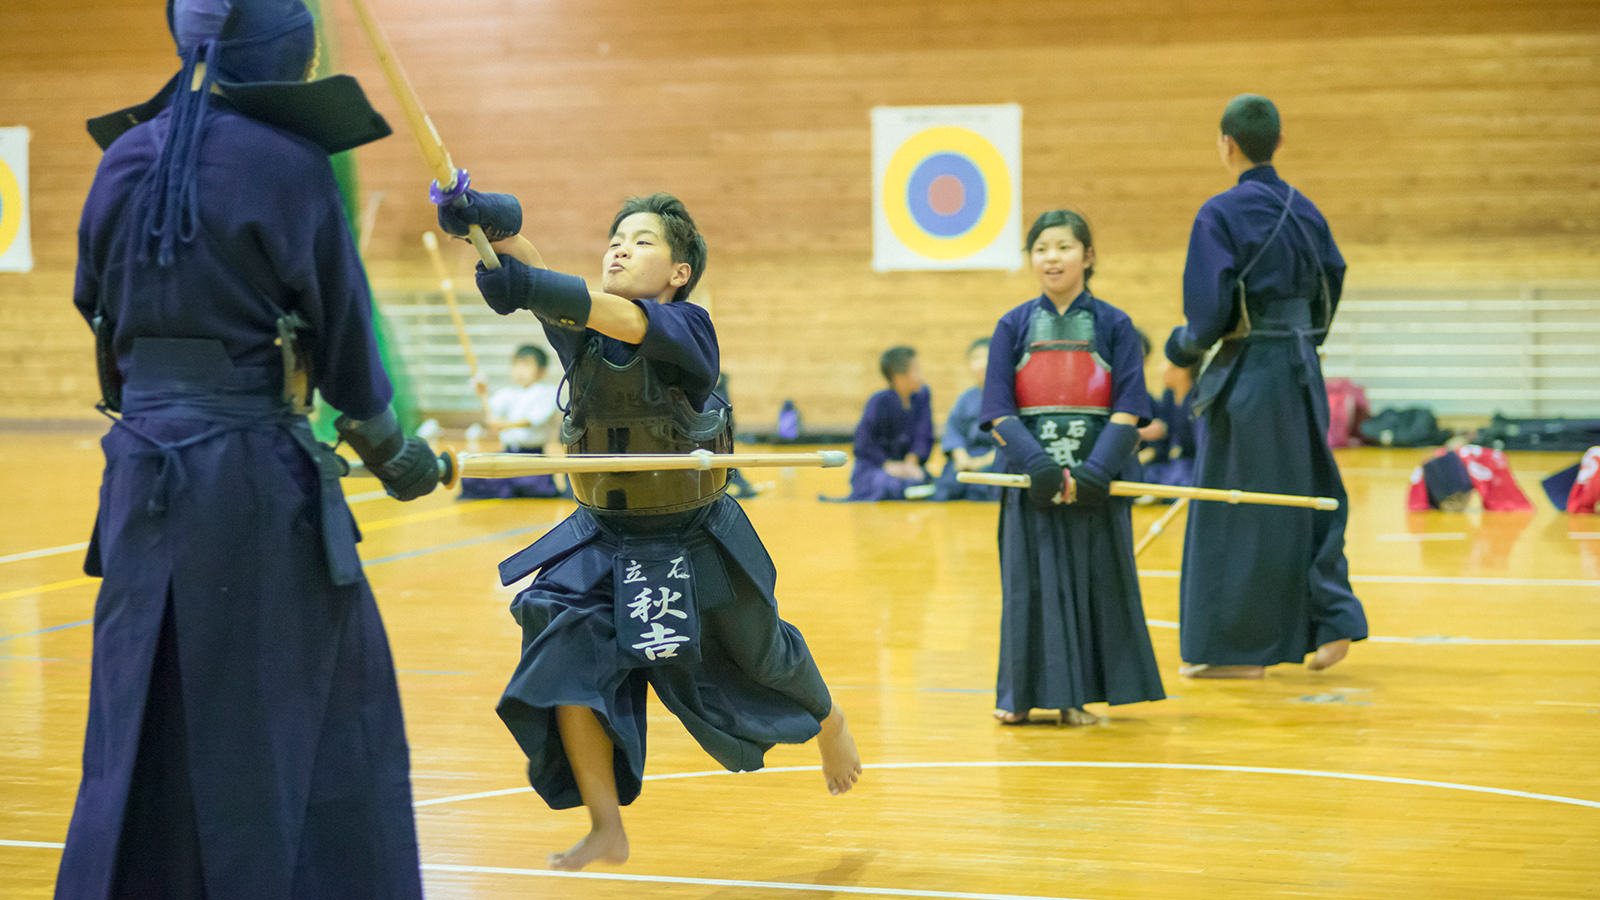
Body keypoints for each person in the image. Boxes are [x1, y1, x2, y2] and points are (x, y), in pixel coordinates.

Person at [57, 1, 438, 896]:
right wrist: (393, 451)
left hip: (140, 477)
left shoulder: (120, 158)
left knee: (141, 718)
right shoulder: (292, 165)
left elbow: (96, 311)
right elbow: (347, 341)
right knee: (300, 720)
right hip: (255, 488)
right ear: (285, 55)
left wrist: (154, 404)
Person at [437, 189, 861, 870]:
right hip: (603, 538)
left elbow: (601, 311)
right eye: (615, 238)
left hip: (695, 536)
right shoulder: (582, 332)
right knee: (562, 655)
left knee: (762, 655)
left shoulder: (690, 329)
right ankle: (606, 825)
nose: (619, 247)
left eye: (640, 241)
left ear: (679, 272)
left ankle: (830, 719)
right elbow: (541, 284)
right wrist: (487, 229)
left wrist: (529, 283)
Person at [1164, 94, 1368, 678]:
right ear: (1279, 143)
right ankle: (1331, 623)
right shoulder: (1307, 211)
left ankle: (1238, 652)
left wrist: (1180, 350)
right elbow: (1333, 278)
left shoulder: (1220, 214)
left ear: (1225, 143)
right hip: (1302, 370)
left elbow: (1206, 317)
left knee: (1234, 507)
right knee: (1309, 495)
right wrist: (1307, 338)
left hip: (1250, 375)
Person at [979, 209, 1165, 726]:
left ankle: (1077, 696)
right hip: (1029, 479)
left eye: (1063, 247)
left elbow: (1130, 406)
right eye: (1041, 248)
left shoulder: (1115, 325)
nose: (1051, 258)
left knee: (1092, 584)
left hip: (1096, 481)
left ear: (1088, 255)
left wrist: (1099, 469)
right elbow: (996, 409)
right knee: (1029, 585)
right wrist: (1037, 463)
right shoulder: (1011, 325)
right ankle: (1019, 697)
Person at [459, 343, 565, 499]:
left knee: (529, 487)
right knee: (470, 476)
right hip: (508, 453)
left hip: (532, 457)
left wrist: (505, 425)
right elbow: (490, 412)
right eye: (516, 364)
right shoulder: (507, 393)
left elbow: (533, 420)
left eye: (527, 365)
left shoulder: (547, 392)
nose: (520, 370)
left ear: (541, 371)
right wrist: (483, 391)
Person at [843, 346, 935, 500]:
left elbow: (924, 433)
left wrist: (911, 462)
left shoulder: (922, 397)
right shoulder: (877, 402)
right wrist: (888, 465)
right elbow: (864, 443)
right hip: (876, 468)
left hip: (907, 468)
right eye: (916, 370)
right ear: (898, 376)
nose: (920, 376)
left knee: (933, 482)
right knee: (883, 482)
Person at [930, 338, 1002, 501]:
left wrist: (982, 461)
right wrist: (961, 456)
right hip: (967, 457)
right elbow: (953, 431)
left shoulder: (1008, 397)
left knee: (984, 487)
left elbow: (1012, 439)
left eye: (987, 356)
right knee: (949, 484)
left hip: (994, 460)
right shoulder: (966, 398)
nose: (982, 363)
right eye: (976, 358)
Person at [1138, 357, 1200, 489]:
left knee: (1183, 480)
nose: (1163, 371)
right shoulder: (1169, 396)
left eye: (1170, 367)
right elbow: (1165, 428)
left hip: (1190, 462)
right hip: (1170, 462)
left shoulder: (1196, 399)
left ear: (1183, 370)